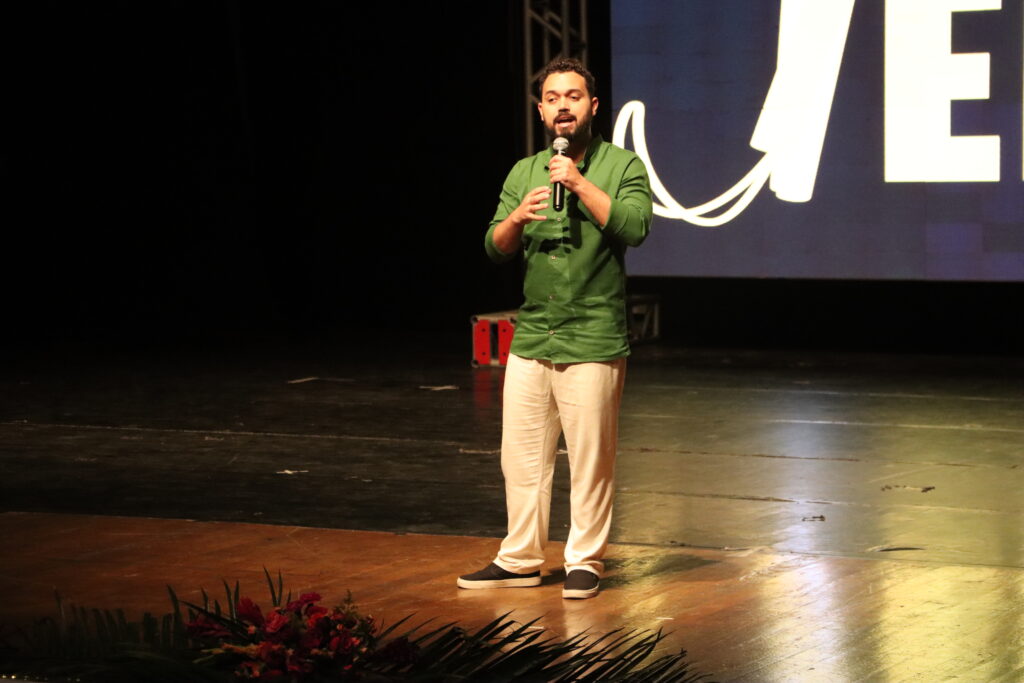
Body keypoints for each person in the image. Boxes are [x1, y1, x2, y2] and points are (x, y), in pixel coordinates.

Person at [457, 57, 653, 599]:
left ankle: (584, 560)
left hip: (591, 335)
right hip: (533, 335)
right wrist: (517, 218)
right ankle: (520, 558)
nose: (562, 106)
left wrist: (579, 183)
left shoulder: (623, 165)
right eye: (552, 98)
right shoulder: (524, 171)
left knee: (590, 459)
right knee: (521, 458)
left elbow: (635, 226)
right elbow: (494, 247)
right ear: (541, 111)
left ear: (593, 106)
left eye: (573, 96)